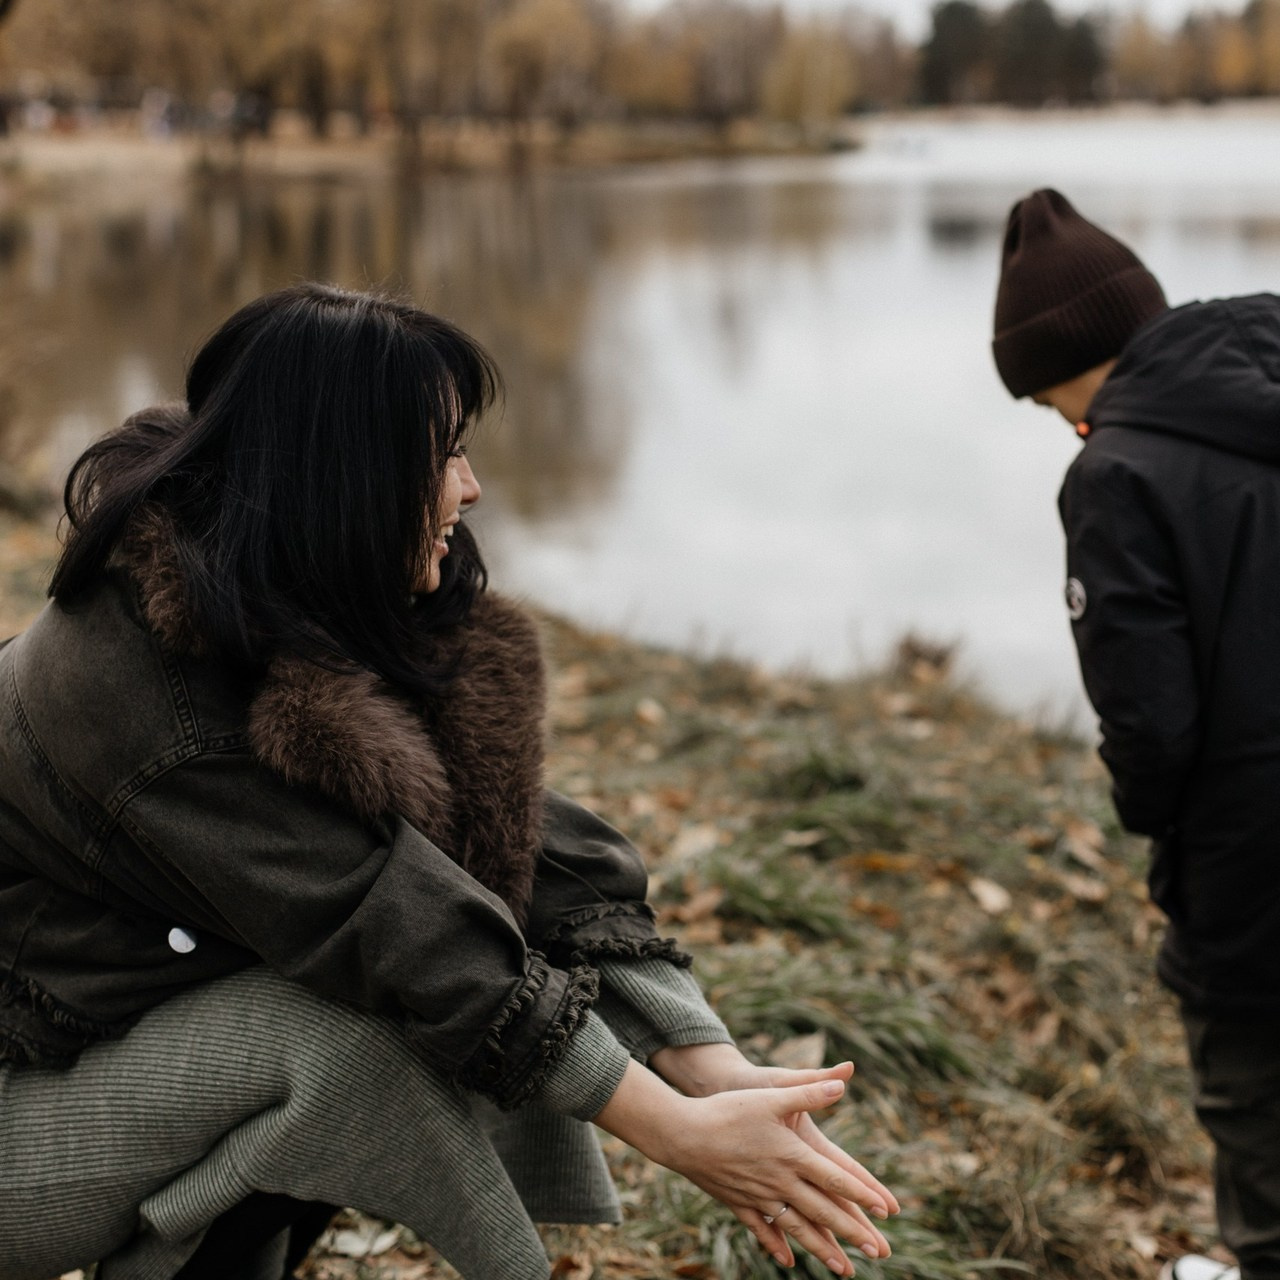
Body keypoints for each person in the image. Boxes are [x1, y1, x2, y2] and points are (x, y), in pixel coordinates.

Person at [0, 283, 898, 1280]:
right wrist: (675, 1131)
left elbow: (498, 839)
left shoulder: (268, 585)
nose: (469, 488)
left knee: (396, 1010)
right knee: (358, 1033)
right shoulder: (145, 695)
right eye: (444, 453)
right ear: (349, 471)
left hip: (92, 1050)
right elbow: (399, 925)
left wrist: (705, 1062)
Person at [993, 189, 1280, 1280]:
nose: (1060, 422)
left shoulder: (1116, 475)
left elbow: (1150, 726)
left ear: (1073, 360)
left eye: (1045, 399)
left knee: (1257, 1109)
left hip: (1252, 865)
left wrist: (1148, 816)